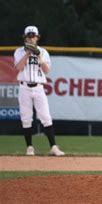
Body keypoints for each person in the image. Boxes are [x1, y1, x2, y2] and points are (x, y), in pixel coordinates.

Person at [14, 26, 65, 156]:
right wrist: (27, 54)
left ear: (38, 37)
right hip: (24, 87)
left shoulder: (43, 52)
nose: (31, 38)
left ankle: (53, 147)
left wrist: (38, 56)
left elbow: (47, 70)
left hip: (39, 88)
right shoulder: (19, 51)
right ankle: (29, 148)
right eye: (29, 36)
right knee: (26, 118)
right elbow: (18, 67)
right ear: (24, 37)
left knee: (46, 117)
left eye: (33, 36)